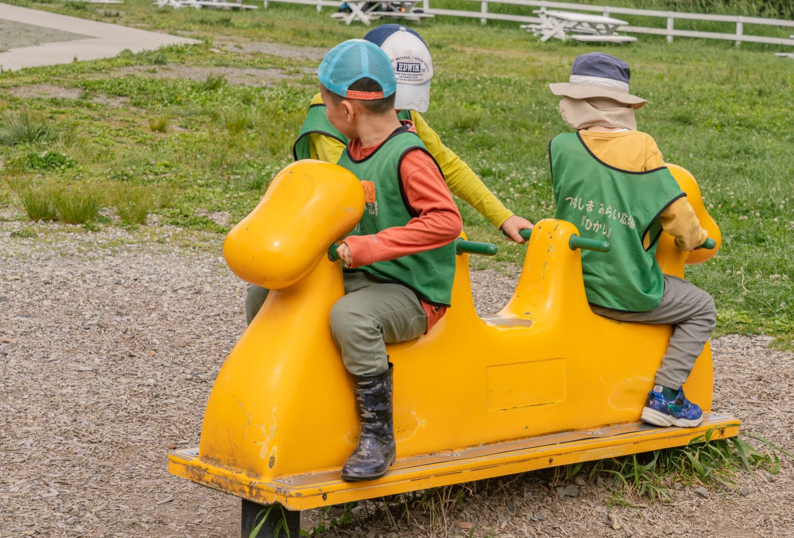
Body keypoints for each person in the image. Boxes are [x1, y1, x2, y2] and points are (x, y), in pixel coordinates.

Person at [244, 25, 533, 323]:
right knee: (271, 293)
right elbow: (341, 197)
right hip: (358, 255)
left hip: (390, 266)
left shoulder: (395, 114)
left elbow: (446, 165)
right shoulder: (331, 119)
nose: (395, 111)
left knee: (349, 315)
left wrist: (503, 216)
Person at [318, 39, 463, 480]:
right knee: (270, 295)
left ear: (347, 110)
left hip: (414, 292)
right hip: (368, 277)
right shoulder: (352, 153)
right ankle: (308, 400)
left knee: (351, 317)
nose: (324, 112)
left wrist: (368, 247)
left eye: (324, 102)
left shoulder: (408, 156)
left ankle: (379, 434)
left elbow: (446, 221)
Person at [547, 52, 716, 428]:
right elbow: (674, 211)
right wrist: (696, 238)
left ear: (576, 101)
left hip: (574, 284)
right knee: (701, 306)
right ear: (622, 104)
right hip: (623, 291)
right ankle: (667, 395)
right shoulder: (641, 146)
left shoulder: (561, 147)